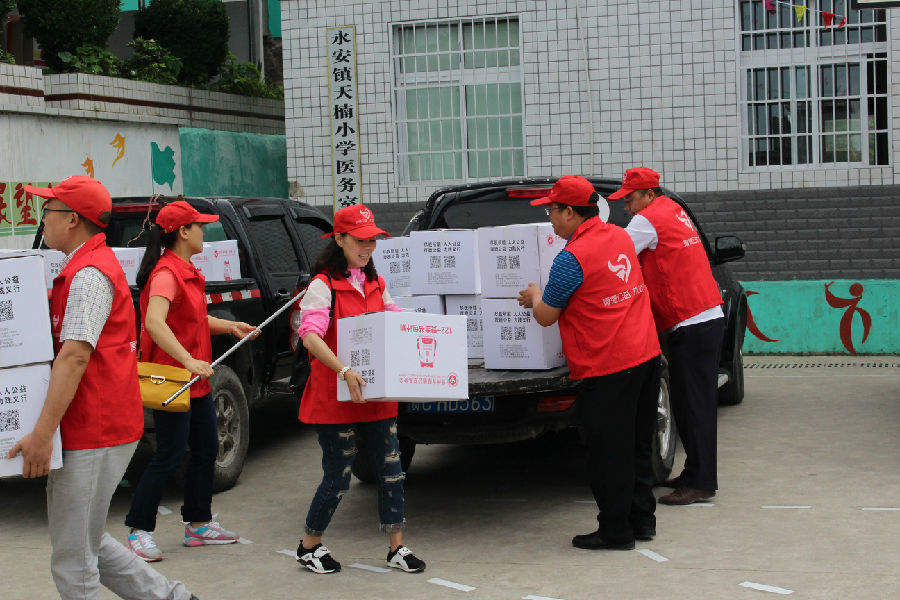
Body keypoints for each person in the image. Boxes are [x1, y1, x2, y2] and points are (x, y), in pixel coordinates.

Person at [7, 176, 198, 600]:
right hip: (98, 425)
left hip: (95, 429)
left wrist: (41, 434)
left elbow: (75, 356)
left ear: (72, 219)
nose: (42, 219)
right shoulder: (82, 267)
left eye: (48, 211)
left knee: (73, 562)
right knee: (88, 543)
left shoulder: (90, 275)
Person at [517, 175, 662, 550]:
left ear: (570, 211)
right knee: (638, 444)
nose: (550, 219)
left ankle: (615, 531)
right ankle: (641, 520)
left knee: (608, 452)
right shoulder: (619, 236)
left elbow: (546, 315)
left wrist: (534, 295)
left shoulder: (571, 258)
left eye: (552, 211)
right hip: (645, 355)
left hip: (608, 366)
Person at [293, 204, 426, 574]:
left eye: (372, 241)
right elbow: (310, 337)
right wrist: (343, 369)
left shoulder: (375, 283)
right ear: (339, 239)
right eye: (359, 240)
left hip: (375, 395)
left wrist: (433, 334)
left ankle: (396, 547)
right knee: (338, 474)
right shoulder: (322, 286)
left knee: (392, 470)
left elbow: (396, 322)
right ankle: (309, 545)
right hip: (336, 396)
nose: (367, 248)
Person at [123, 200, 257, 561]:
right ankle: (138, 530)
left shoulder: (186, 270)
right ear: (183, 232)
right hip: (174, 382)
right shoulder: (166, 274)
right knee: (169, 455)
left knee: (206, 449)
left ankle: (198, 523)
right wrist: (186, 359)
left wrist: (231, 326)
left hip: (196, 381)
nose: (203, 232)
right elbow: (154, 322)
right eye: (199, 226)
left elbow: (195, 320)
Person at [608, 167, 725, 506]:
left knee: (695, 406)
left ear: (648, 194)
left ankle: (701, 482)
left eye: (630, 199)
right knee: (690, 404)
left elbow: (613, 253)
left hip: (691, 321)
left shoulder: (648, 220)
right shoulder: (672, 209)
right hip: (703, 316)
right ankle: (695, 473)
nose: (627, 207)